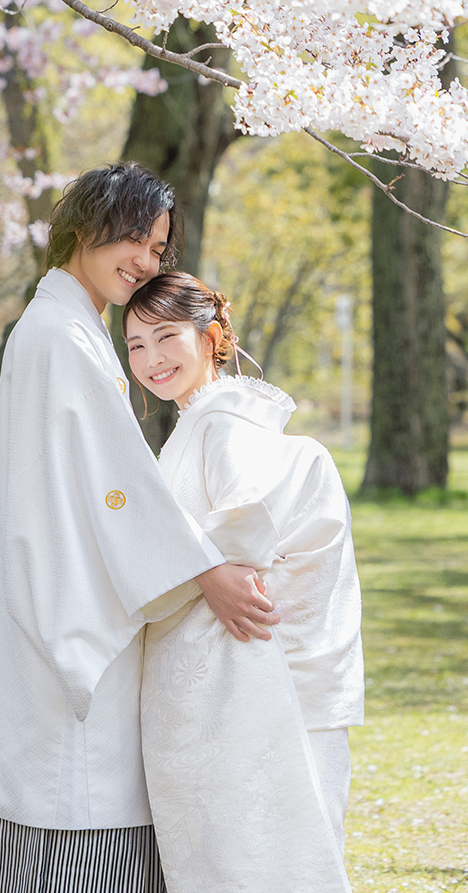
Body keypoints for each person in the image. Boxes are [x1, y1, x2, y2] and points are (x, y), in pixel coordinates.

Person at [0, 162, 280, 892]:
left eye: (158, 249)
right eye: (133, 238)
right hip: (63, 605)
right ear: (85, 227)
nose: (145, 261)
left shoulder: (64, 327)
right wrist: (205, 570)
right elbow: (114, 486)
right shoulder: (62, 336)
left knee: (41, 801)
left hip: (48, 594)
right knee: (79, 799)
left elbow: (106, 481)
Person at [124, 273, 364, 892]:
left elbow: (239, 535)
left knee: (240, 854)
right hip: (211, 672)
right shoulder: (202, 418)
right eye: (135, 345)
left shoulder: (223, 419)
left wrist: (175, 572)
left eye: (165, 336)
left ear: (210, 337)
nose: (150, 359)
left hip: (228, 675)